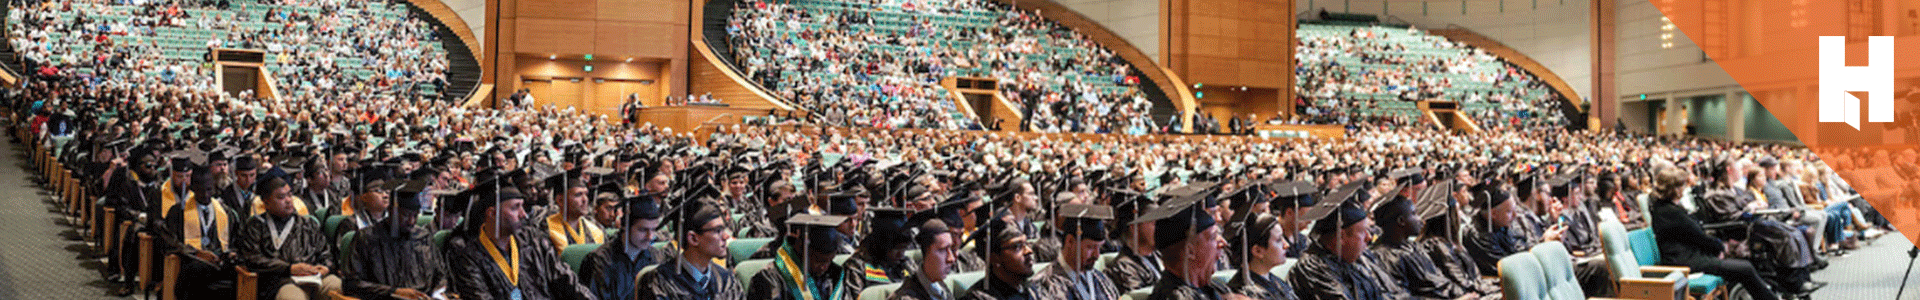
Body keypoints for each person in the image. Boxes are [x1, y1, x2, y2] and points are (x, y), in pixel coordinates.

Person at [1647, 164, 1781, 300]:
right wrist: (1719, 248)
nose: (1684, 188)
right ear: (1675, 189)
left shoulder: (1666, 208)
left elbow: (1696, 234)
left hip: (1688, 256)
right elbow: (1698, 237)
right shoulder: (1671, 212)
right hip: (1685, 262)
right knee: (1745, 268)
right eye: (1681, 185)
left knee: (1741, 265)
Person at [444, 182, 596, 300]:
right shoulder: (469, 257)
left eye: (522, 207)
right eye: (516, 208)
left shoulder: (534, 240)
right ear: (492, 213)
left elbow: (565, 280)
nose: (524, 215)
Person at [1288, 181, 1410, 300]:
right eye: (1362, 232)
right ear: (1341, 236)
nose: (1369, 238)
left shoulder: (1356, 257)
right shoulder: (1312, 268)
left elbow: (1387, 292)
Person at [341, 179, 453, 300]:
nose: (411, 221)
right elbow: (351, 284)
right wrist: (395, 292)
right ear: (391, 211)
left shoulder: (423, 237)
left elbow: (440, 274)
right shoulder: (367, 238)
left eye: (415, 215)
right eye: (405, 215)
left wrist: (438, 291)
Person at [1368, 182, 1482, 300]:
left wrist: (1464, 294)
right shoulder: (1384, 256)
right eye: (1414, 214)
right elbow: (1404, 297)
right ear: (1401, 221)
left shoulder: (1412, 246)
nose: (1421, 219)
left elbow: (1438, 282)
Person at [234, 176, 342, 300]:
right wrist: (289, 268)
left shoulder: (308, 223)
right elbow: (253, 259)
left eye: (290, 195)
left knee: (336, 285)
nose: (288, 200)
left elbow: (325, 253)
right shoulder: (256, 226)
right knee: (293, 297)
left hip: (314, 278)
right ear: (266, 202)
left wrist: (325, 268)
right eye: (281, 197)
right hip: (280, 281)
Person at [632, 199, 746, 300]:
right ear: (693, 238)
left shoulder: (727, 281)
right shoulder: (660, 283)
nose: (726, 236)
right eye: (717, 231)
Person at [1140, 195, 1245, 300]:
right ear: (1190, 251)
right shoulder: (1175, 296)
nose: (1222, 243)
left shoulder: (1210, 287)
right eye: (1213, 237)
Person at [162, 163, 242, 299]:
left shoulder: (227, 213)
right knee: (196, 269)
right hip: (190, 262)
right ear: (192, 188)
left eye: (209, 190)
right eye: (200, 190)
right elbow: (170, 242)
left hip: (220, 262)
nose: (206, 195)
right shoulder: (178, 212)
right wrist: (196, 253)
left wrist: (231, 253)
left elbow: (236, 241)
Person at [746, 214, 866, 300]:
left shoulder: (834, 277)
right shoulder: (769, 279)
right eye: (819, 261)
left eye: (830, 261)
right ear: (801, 250)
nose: (824, 267)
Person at [580, 194, 665, 300]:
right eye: (643, 230)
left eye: (653, 230)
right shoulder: (599, 261)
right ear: (625, 226)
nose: (650, 237)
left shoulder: (656, 257)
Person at [1030, 204, 1120, 300]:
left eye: (1099, 247)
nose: (1097, 255)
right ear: (1070, 241)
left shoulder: (1101, 280)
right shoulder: (1045, 283)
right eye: (1090, 247)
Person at [960, 215, 1040, 300]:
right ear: (994, 258)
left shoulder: (1030, 289)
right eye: (1017, 246)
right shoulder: (978, 297)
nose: (1028, 250)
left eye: (1026, 243)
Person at [1223, 210, 1297, 300]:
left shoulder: (1273, 280)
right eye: (1278, 240)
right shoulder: (1243, 294)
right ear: (1258, 251)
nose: (1286, 245)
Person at [1105, 191, 1162, 292]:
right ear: (1134, 227)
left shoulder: (1160, 255)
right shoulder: (1124, 267)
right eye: (1154, 223)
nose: (1160, 228)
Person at [844, 207, 917, 285]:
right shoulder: (857, 267)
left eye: (904, 249)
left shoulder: (906, 264)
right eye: (896, 249)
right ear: (882, 245)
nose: (901, 254)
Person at [890, 218, 957, 300]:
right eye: (942, 250)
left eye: (950, 248)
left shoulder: (940, 286)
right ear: (926, 252)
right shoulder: (906, 297)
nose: (951, 258)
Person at [545, 170, 607, 250]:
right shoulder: (546, 229)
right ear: (560, 200)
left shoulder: (596, 230)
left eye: (586, 194)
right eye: (578, 195)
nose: (585, 200)